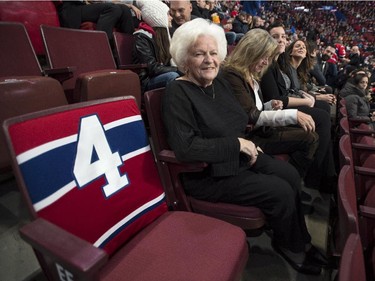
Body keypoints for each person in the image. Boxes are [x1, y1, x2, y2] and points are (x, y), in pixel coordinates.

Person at [163, 18, 327, 275]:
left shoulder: (218, 83)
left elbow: (241, 118)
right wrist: (237, 144)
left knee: (291, 175)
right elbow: (186, 147)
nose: (209, 60)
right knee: (279, 190)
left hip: (239, 157)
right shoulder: (177, 92)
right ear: (184, 58)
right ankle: (291, 246)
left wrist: (247, 143)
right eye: (199, 54)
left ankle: (300, 239)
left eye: (213, 53)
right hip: (208, 173)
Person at [221, 28, 319, 184]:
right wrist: (293, 115)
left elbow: (253, 108)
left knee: (311, 137)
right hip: (248, 138)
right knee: (308, 139)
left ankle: (295, 180)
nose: (266, 62)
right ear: (251, 52)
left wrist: (269, 105)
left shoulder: (251, 75)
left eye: (268, 58)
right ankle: (292, 180)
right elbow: (250, 115)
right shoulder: (232, 75)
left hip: (261, 131)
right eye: (264, 57)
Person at [261, 22, 336, 191]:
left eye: (283, 37)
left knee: (323, 110)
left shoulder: (281, 63)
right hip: (274, 114)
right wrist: (310, 100)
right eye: (275, 37)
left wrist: (312, 99)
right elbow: (278, 98)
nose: (280, 40)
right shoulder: (272, 64)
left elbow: (296, 90)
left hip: (282, 107)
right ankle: (317, 177)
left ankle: (327, 173)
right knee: (323, 116)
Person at [133, 0, 180, 92]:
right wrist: (177, 69)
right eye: (168, 14)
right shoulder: (141, 37)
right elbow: (153, 68)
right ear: (159, 16)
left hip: (160, 75)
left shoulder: (166, 36)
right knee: (173, 76)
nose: (171, 17)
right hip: (148, 80)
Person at [56, 1, 134, 44]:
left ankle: (130, 55)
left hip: (85, 5)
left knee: (125, 9)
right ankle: (100, 45)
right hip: (72, 8)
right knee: (113, 8)